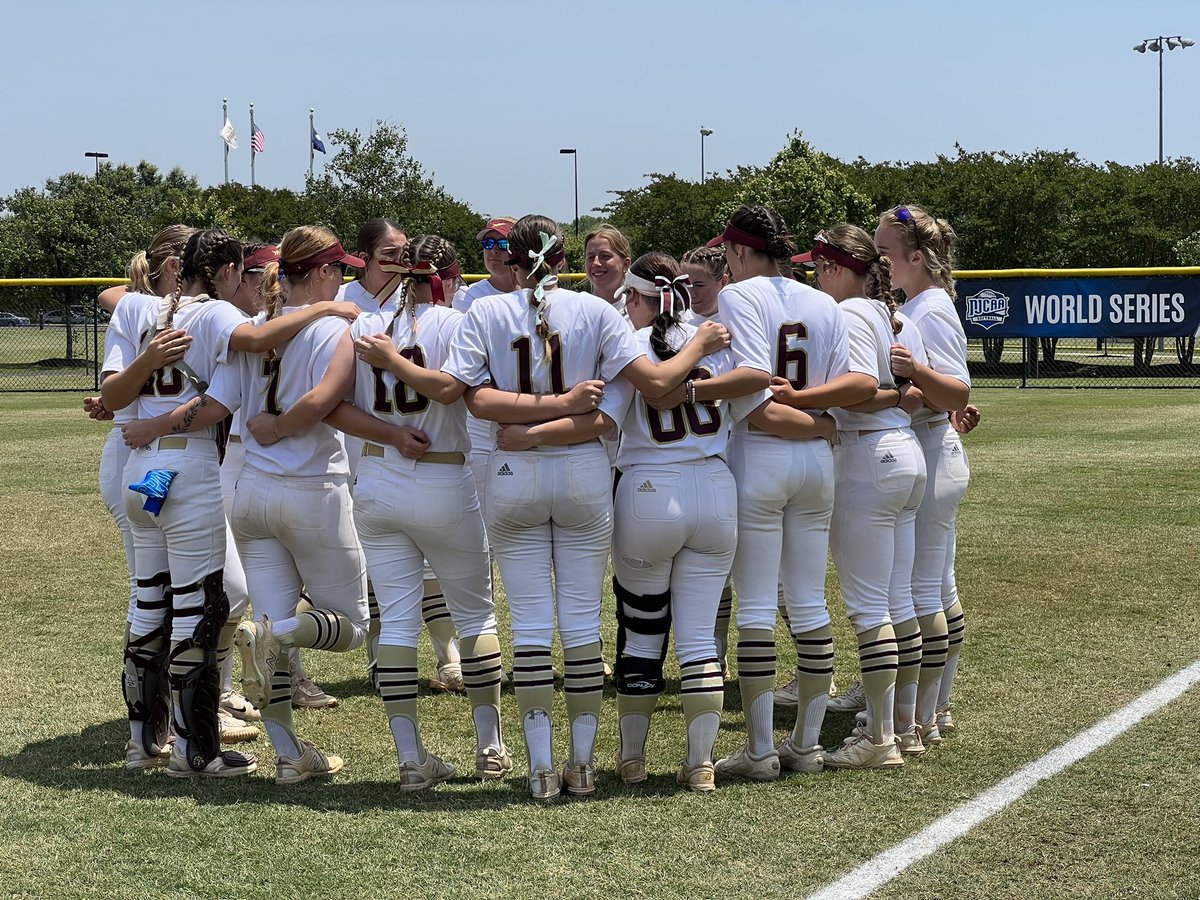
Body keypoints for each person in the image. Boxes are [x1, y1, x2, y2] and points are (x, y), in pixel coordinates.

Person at [440, 214, 731, 799]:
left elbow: (476, 401)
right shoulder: (597, 311)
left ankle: (542, 768)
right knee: (579, 623)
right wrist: (566, 404)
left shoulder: (485, 311)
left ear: (513, 257)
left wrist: (534, 418)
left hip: (513, 471)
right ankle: (580, 764)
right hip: (585, 473)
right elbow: (635, 394)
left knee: (528, 624)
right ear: (561, 255)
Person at [335, 234, 506, 789]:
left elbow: (333, 405)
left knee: (399, 620)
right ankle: (491, 747)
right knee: (475, 615)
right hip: (443, 471)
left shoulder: (364, 325)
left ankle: (411, 759)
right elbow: (457, 392)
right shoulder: (461, 324)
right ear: (449, 277)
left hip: (379, 476)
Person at [702, 205, 862, 782]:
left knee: (756, 610)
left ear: (741, 252)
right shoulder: (823, 302)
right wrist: (818, 423)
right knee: (810, 601)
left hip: (760, 458)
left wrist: (799, 415)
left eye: (727, 252)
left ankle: (762, 749)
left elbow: (759, 410)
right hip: (816, 463)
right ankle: (810, 743)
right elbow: (842, 396)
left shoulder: (739, 297)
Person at [603, 253, 772, 791]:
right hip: (714, 486)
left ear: (635, 296)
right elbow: (757, 385)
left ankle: (633, 758)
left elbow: (616, 417)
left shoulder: (627, 341)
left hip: (649, 487)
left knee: (643, 633)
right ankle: (700, 763)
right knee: (701, 639)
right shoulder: (715, 335)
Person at [101, 228, 258, 778]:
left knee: (148, 600)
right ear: (227, 271)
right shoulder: (215, 315)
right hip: (188, 467)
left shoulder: (137, 308)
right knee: (199, 607)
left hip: (137, 467)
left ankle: (143, 740)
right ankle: (198, 750)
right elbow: (235, 378)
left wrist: (146, 363)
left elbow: (112, 396)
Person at [774, 225, 926, 767]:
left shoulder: (851, 312)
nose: (813, 277)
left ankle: (880, 738)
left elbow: (862, 387)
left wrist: (802, 397)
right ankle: (906, 727)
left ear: (837, 268)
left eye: (817, 267)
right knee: (897, 602)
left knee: (870, 608)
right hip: (900, 451)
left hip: (869, 456)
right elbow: (898, 392)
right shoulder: (884, 313)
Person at [227, 226, 371, 785]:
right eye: (340, 270)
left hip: (251, 492)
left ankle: (290, 755)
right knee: (353, 627)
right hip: (313, 488)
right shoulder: (333, 323)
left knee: (270, 632)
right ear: (322, 273)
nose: (345, 280)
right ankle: (277, 632)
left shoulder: (256, 326)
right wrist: (283, 426)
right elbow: (322, 400)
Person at [876, 205, 971, 742]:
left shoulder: (929, 307)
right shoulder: (926, 302)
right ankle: (934, 708)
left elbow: (956, 391)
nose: (882, 262)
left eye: (887, 252)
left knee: (920, 592)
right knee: (934, 587)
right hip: (937, 447)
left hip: (933, 448)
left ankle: (916, 717)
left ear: (916, 256)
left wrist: (913, 375)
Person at [583, 224, 633, 313]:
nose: (595, 263)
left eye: (605, 256)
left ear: (625, 264)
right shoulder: (574, 309)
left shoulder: (638, 314)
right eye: (590, 257)